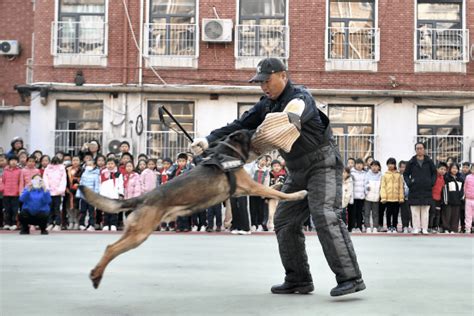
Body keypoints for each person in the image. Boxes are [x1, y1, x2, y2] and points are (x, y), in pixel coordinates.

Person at [190, 57, 364, 296]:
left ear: (283, 75)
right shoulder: (265, 105)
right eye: (260, 82)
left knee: (325, 214)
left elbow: (292, 116)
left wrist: (263, 131)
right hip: (296, 170)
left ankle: (350, 277)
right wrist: (208, 140)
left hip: (323, 165)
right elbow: (239, 125)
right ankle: (298, 279)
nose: (263, 86)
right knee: (284, 220)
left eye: (267, 80)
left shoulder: (301, 98)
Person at [404, 142, 436, 235]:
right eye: (417, 148)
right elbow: (405, 174)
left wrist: (432, 182)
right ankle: (416, 228)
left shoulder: (429, 161)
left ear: (424, 149)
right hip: (414, 189)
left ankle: (424, 228)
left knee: (425, 210)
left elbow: (434, 173)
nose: (419, 150)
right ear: (415, 150)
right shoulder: (411, 162)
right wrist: (409, 183)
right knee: (415, 210)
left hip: (427, 189)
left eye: (421, 148)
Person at [168, 152, 194, 232]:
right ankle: (179, 226)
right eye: (179, 161)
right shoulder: (175, 169)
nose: (181, 163)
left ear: (186, 161)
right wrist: (174, 166)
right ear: (177, 161)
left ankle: (186, 226)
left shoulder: (189, 168)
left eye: (183, 161)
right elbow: (168, 174)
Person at [380, 158, 404, 233]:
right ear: (387, 165)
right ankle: (388, 227)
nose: (391, 165)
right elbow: (383, 187)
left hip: (396, 198)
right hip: (388, 198)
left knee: (396, 213)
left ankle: (394, 227)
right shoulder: (385, 175)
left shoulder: (398, 175)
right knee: (388, 213)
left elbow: (401, 187)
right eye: (389, 164)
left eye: (392, 164)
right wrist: (383, 197)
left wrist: (401, 197)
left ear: (394, 165)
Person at [43, 156, 67, 231]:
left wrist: (60, 190)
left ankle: (57, 223)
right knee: (50, 208)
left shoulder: (62, 168)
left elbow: (63, 180)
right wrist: (46, 188)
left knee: (57, 209)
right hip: (49, 192)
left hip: (58, 193)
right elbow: (45, 178)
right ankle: (50, 223)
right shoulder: (47, 168)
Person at [100, 158, 124, 231]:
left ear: (115, 164)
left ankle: (113, 224)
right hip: (105, 195)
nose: (110, 165)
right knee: (106, 211)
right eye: (108, 164)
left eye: (112, 163)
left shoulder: (118, 174)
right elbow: (100, 184)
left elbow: (121, 184)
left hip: (114, 194)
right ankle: (106, 224)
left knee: (114, 211)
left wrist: (120, 193)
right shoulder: (103, 173)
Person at [76, 159, 100, 231]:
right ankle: (81, 224)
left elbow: (97, 186)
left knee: (91, 211)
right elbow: (81, 184)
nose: (89, 166)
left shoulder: (96, 175)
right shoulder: (84, 174)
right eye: (87, 165)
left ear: (94, 166)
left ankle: (91, 224)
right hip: (83, 196)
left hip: (91, 197)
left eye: (90, 165)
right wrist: (78, 193)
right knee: (82, 211)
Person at [248, 156, 270, 232]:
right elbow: (249, 178)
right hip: (252, 192)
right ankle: (254, 224)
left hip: (261, 192)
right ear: (258, 160)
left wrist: (264, 193)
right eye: (262, 160)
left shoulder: (266, 171)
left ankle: (260, 224)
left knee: (261, 209)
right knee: (253, 208)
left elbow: (267, 182)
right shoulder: (253, 169)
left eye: (265, 160)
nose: (263, 162)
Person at [442, 163, 464, 234]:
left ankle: (453, 229)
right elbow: (444, 189)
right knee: (447, 215)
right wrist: (445, 199)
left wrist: (461, 197)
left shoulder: (460, 179)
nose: (454, 170)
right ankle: (446, 228)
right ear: (450, 169)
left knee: (455, 215)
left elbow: (462, 190)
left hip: (457, 200)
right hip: (448, 200)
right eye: (453, 168)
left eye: (456, 168)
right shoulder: (446, 178)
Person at [2, 156, 22, 230]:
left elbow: (20, 182)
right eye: (12, 160)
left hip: (15, 194)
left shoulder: (19, 171)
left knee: (15, 209)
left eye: (15, 160)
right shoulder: (5, 171)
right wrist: (3, 189)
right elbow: (2, 181)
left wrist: (19, 191)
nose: (13, 162)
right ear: (9, 162)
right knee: (7, 209)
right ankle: (7, 223)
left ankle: (14, 223)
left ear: (17, 162)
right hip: (6, 193)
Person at [267, 159, 287, 231]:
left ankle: (279, 225)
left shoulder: (284, 174)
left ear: (281, 167)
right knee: (271, 212)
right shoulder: (269, 174)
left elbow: (280, 185)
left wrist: (272, 187)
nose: (276, 167)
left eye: (278, 166)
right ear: (272, 167)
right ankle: (271, 225)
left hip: (280, 196)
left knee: (280, 211)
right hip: (271, 196)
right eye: (274, 166)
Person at [364, 160, 381, 233]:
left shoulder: (381, 175)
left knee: (375, 213)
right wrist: (367, 188)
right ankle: (367, 226)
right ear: (370, 167)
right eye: (373, 166)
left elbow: (382, 186)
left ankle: (375, 227)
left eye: (376, 166)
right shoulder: (367, 174)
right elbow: (364, 184)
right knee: (366, 213)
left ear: (379, 167)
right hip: (368, 197)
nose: (374, 167)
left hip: (376, 197)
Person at [65, 156, 82, 230]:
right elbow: (64, 179)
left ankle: (77, 222)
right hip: (68, 191)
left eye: (77, 160)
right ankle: (70, 221)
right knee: (69, 207)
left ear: (80, 161)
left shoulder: (82, 170)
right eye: (73, 160)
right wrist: (66, 188)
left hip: (78, 191)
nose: (75, 162)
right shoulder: (67, 170)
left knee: (77, 207)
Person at [430, 162, 447, 233]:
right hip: (432, 198)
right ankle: (430, 227)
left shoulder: (443, 178)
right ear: (437, 169)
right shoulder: (434, 177)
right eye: (441, 169)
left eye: (444, 169)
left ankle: (435, 227)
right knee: (432, 213)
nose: (443, 171)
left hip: (439, 199)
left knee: (437, 214)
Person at [350, 159, 366, 233]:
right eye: (357, 164)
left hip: (361, 197)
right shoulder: (351, 173)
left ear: (363, 165)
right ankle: (352, 227)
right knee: (352, 213)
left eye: (360, 164)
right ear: (355, 165)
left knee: (359, 213)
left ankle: (359, 227)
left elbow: (366, 184)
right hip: (352, 197)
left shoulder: (365, 173)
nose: (359, 165)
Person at [398, 160, 411, 233]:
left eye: (405, 167)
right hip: (400, 197)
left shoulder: (410, 176)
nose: (403, 169)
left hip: (408, 197)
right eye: (401, 167)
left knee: (408, 212)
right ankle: (404, 226)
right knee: (403, 213)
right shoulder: (398, 176)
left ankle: (408, 225)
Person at [463, 164, 474, 234]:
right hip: (468, 199)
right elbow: (465, 187)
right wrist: (465, 195)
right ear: (471, 169)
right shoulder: (468, 177)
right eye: (473, 169)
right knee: (468, 214)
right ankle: (468, 229)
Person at [0, 154, 7, 227]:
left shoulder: (7, 169)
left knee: (5, 209)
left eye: (2, 160)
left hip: (6, 193)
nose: (1, 162)